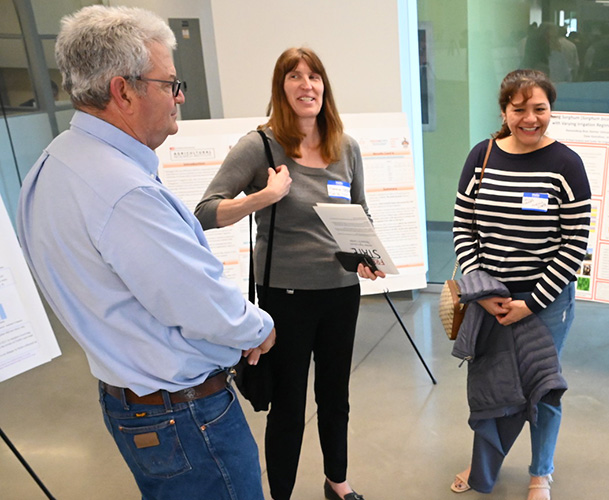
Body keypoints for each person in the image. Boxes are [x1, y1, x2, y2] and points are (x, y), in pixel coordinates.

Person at [16, 6, 275, 500]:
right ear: (124, 90)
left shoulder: (52, 164)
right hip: (185, 416)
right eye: (170, 84)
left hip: (131, 403)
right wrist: (259, 327)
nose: (179, 98)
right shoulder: (123, 192)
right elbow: (199, 303)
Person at [195, 47, 383, 500]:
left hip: (340, 292)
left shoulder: (346, 147)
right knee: (289, 404)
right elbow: (203, 213)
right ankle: (279, 494)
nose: (307, 85)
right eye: (294, 76)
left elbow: (361, 216)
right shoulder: (261, 145)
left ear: (325, 86)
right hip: (286, 296)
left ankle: (337, 482)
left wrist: (365, 255)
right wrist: (262, 197)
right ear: (281, 88)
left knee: (335, 397)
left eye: (314, 75)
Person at [449, 68, 591, 500]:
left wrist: (531, 302)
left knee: (542, 389)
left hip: (544, 303)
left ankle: (540, 473)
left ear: (551, 109)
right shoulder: (482, 156)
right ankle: (484, 461)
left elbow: (574, 243)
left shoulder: (567, 164)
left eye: (540, 108)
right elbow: (463, 227)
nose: (530, 118)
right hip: (488, 300)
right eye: (519, 109)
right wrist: (484, 291)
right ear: (504, 111)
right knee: (490, 384)